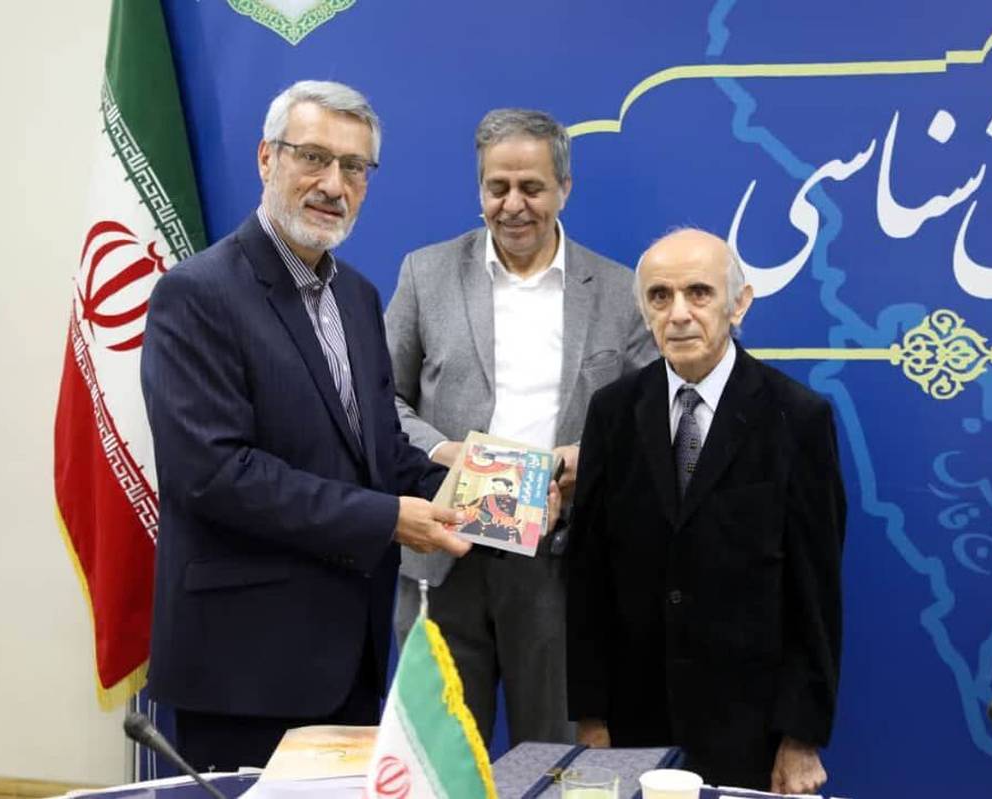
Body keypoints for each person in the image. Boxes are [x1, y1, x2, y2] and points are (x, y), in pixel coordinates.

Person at [140, 80, 470, 771]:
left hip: (348, 661)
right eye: (313, 157)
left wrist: (494, 493)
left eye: (354, 166)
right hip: (241, 671)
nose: (333, 184)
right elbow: (216, 474)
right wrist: (387, 518)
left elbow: (380, 450)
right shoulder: (197, 294)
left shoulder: (357, 297)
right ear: (267, 158)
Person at [384, 108, 656, 745]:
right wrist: (446, 451)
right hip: (442, 553)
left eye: (531, 188)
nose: (512, 205)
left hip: (557, 564)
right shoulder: (425, 274)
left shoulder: (619, 291)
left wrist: (580, 460)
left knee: (554, 758)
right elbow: (379, 402)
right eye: (496, 187)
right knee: (441, 758)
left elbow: (650, 418)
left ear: (564, 188)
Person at [566, 228, 846, 792]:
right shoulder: (613, 413)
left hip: (749, 728)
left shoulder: (797, 417)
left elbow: (815, 595)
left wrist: (800, 736)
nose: (678, 314)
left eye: (699, 293)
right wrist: (591, 718)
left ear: (738, 304)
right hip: (634, 722)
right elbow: (588, 576)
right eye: (660, 296)